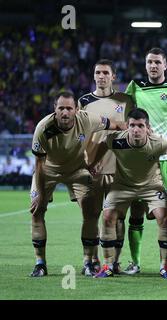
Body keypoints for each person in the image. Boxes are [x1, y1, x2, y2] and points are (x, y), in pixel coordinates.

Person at [29, 91, 124, 277]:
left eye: (69, 108)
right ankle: (40, 263)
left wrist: (129, 129)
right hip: (47, 170)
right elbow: (39, 165)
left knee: (91, 212)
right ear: (54, 110)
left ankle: (88, 262)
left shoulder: (87, 119)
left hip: (77, 170)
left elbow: (114, 125)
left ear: (76, 110)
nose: (65, 112)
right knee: (36, 211)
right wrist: (40, 195)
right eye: (61, 108)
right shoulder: (43, 128)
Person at [91, 108, 167, 278]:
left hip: (152, 186)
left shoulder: (159, 143)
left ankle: (165, 266)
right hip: (123, 185)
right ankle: (108, 265)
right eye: (132, 125)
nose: (136, 129)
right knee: (108, 216)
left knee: (164, 216)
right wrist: (93, 164)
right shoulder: (117, 140)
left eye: (140, 125)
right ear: (127, 126)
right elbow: (103, 144)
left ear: (148, 127)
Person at [125, 47, 167, 275]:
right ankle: (135, 263)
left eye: (157, 62)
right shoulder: (135, 87)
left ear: (165, 65)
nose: (153, 66)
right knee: (136, 208)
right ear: (146, 65)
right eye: (149, 62)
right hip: (141, 160)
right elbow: (126, 117)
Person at [78, 59, 135, 276]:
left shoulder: (125, 100)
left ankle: (115, 262)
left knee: (118, 217)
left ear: (114, 77)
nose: (101, 76)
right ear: (93, 76)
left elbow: (133, 130)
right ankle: (89, 260)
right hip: (91, 168)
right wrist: (84, 161)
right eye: (97, 72)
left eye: (105, 73)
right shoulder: (84, 101)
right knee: (90, 216)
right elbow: (79, 134)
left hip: (119, 167)